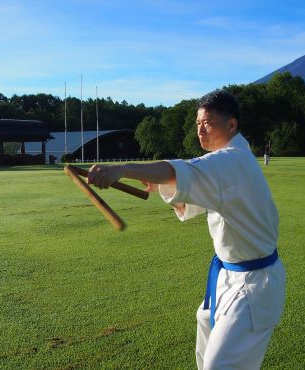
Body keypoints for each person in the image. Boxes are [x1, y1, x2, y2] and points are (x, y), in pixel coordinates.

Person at [87, 90, 285, 370]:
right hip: (228, 276)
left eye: (208, 123)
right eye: (197, 123)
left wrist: (122, 169)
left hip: (252, 285)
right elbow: (188, 200)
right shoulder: (228, 161)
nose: (200, 130)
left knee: (219, 365)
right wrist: (160, 184)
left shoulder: (231, 160)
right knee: (205, 347)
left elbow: (182, 170)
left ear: (231, 125)